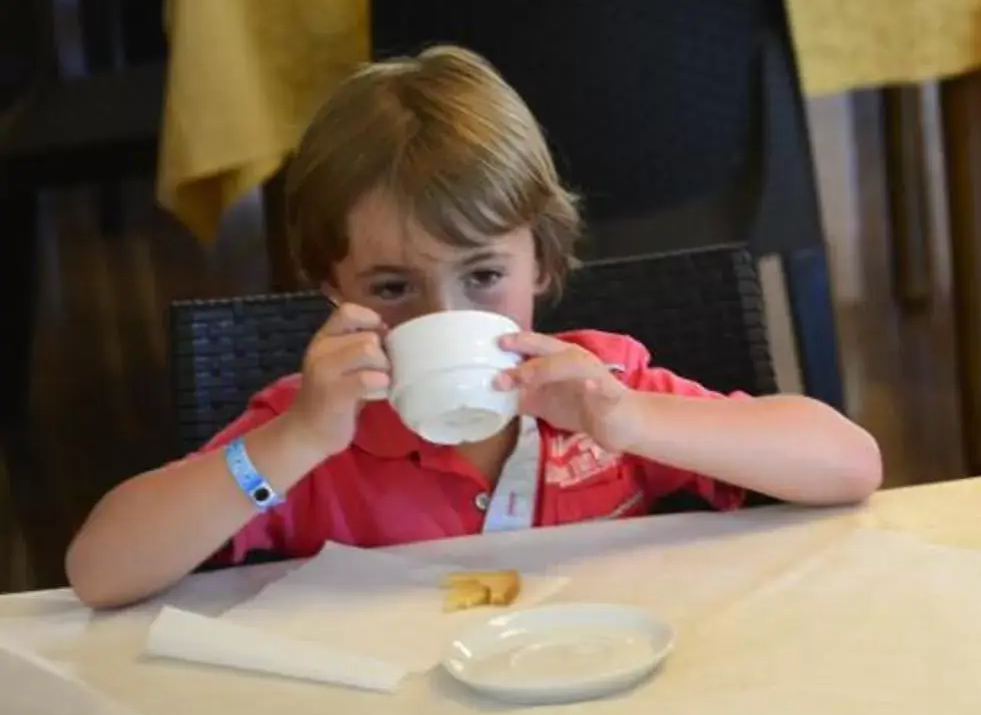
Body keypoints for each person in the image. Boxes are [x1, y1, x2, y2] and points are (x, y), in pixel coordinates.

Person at [64, 49, 882, 608]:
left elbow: (850, 464)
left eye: (484, 276)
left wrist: (630, 420)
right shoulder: (315, 431)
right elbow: (99, 572)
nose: (442, 315)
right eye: (392, 287)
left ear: (544, 265)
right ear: (333, 288)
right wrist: (295, 443)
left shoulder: (601, 388)